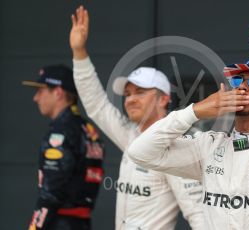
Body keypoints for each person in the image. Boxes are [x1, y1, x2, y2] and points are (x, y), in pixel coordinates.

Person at [128, 23, 249, 230]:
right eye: (239, 80)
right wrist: (194, 111)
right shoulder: (208, 145)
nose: (242, 85)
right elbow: (140, 152)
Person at [69, 6, 204, 230]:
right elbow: (97, 106)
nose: (130, 99)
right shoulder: (132, 135)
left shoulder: (175, 146)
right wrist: (79, 52)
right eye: (128, 93)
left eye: (140, 93)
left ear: (163, 99)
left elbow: (197, 212)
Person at [23, 64, 104, 230]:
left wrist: (35, 226)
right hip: (81, 222)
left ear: (58, 92)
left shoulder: (61, 132)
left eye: (41, 91)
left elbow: (51, 192)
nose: (35, 98)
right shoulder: (89, 130)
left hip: (59, 222)